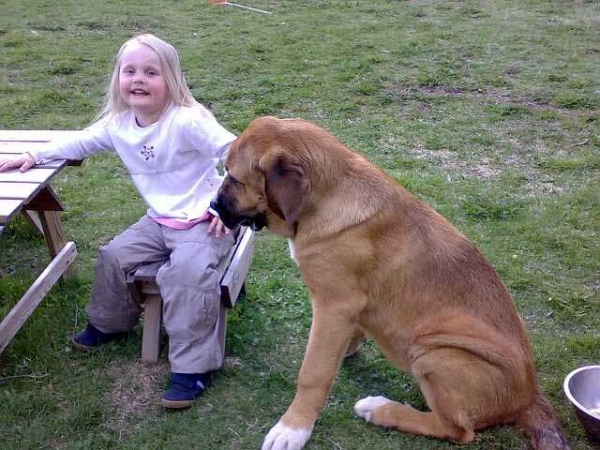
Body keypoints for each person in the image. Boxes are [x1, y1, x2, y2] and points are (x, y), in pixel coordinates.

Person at [0, 34, 238, 409]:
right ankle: (108, 325)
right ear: (118, 79)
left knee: (185, 276)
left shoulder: (188, 120)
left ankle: (194, 367)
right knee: (113, 255)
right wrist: (35, 154)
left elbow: (235, 153)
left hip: (203, 220)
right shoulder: (119, 124)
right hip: (160, 220)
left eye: (150, 71)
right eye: (130, 71)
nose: (138, 79)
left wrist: (227, 207)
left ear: (171, 80)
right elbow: (78, 143)